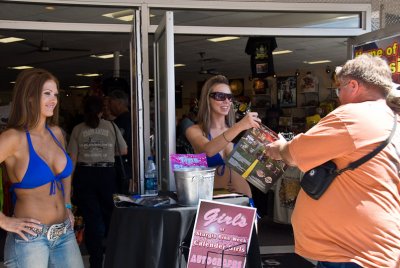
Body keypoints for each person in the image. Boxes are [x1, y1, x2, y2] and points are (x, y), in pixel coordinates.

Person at [265, 54, 400, 268]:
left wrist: (278, 147)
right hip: (373, 246)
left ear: (353, 85)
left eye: (340, 88)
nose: (338, 96)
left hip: (350, 252)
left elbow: (293, 154)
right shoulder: (391, 118)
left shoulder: (352, 116)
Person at [0, 68, 84, 268]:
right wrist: (3, 220)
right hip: (30, 238)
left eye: (55, 94)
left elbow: (64, 174)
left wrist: (67, 205)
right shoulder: (13, 138)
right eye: (47, 93)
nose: (54, 99)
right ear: (29, 97)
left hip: (64, 232)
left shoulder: (56, 133)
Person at [68, 95, 127, 268]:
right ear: (102, 110)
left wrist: (69, 183)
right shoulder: (111, 126)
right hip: (107, 174)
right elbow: (123, 150)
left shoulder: (78, 129)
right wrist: (105, 151)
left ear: (84, 111)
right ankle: (112, 257)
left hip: (85, 175)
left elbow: (72, 158)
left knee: (92, 219)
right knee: (110, 216)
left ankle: (95, 261)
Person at [186, 75, 262, 197]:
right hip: (212, 203)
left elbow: (258, 170)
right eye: (220, 96)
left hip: (244, 200)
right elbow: (208, 150)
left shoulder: (241, 130)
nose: (226, 101)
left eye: (229, 97)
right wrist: (239, 126)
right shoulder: (194, 130)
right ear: (207, 99)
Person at [107, 90, 132, 193]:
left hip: (122, 166)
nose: (109, 107)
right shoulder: (135, 119)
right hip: (131, 165)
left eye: (110, 103)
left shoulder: (118, 123)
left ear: (119, 103)